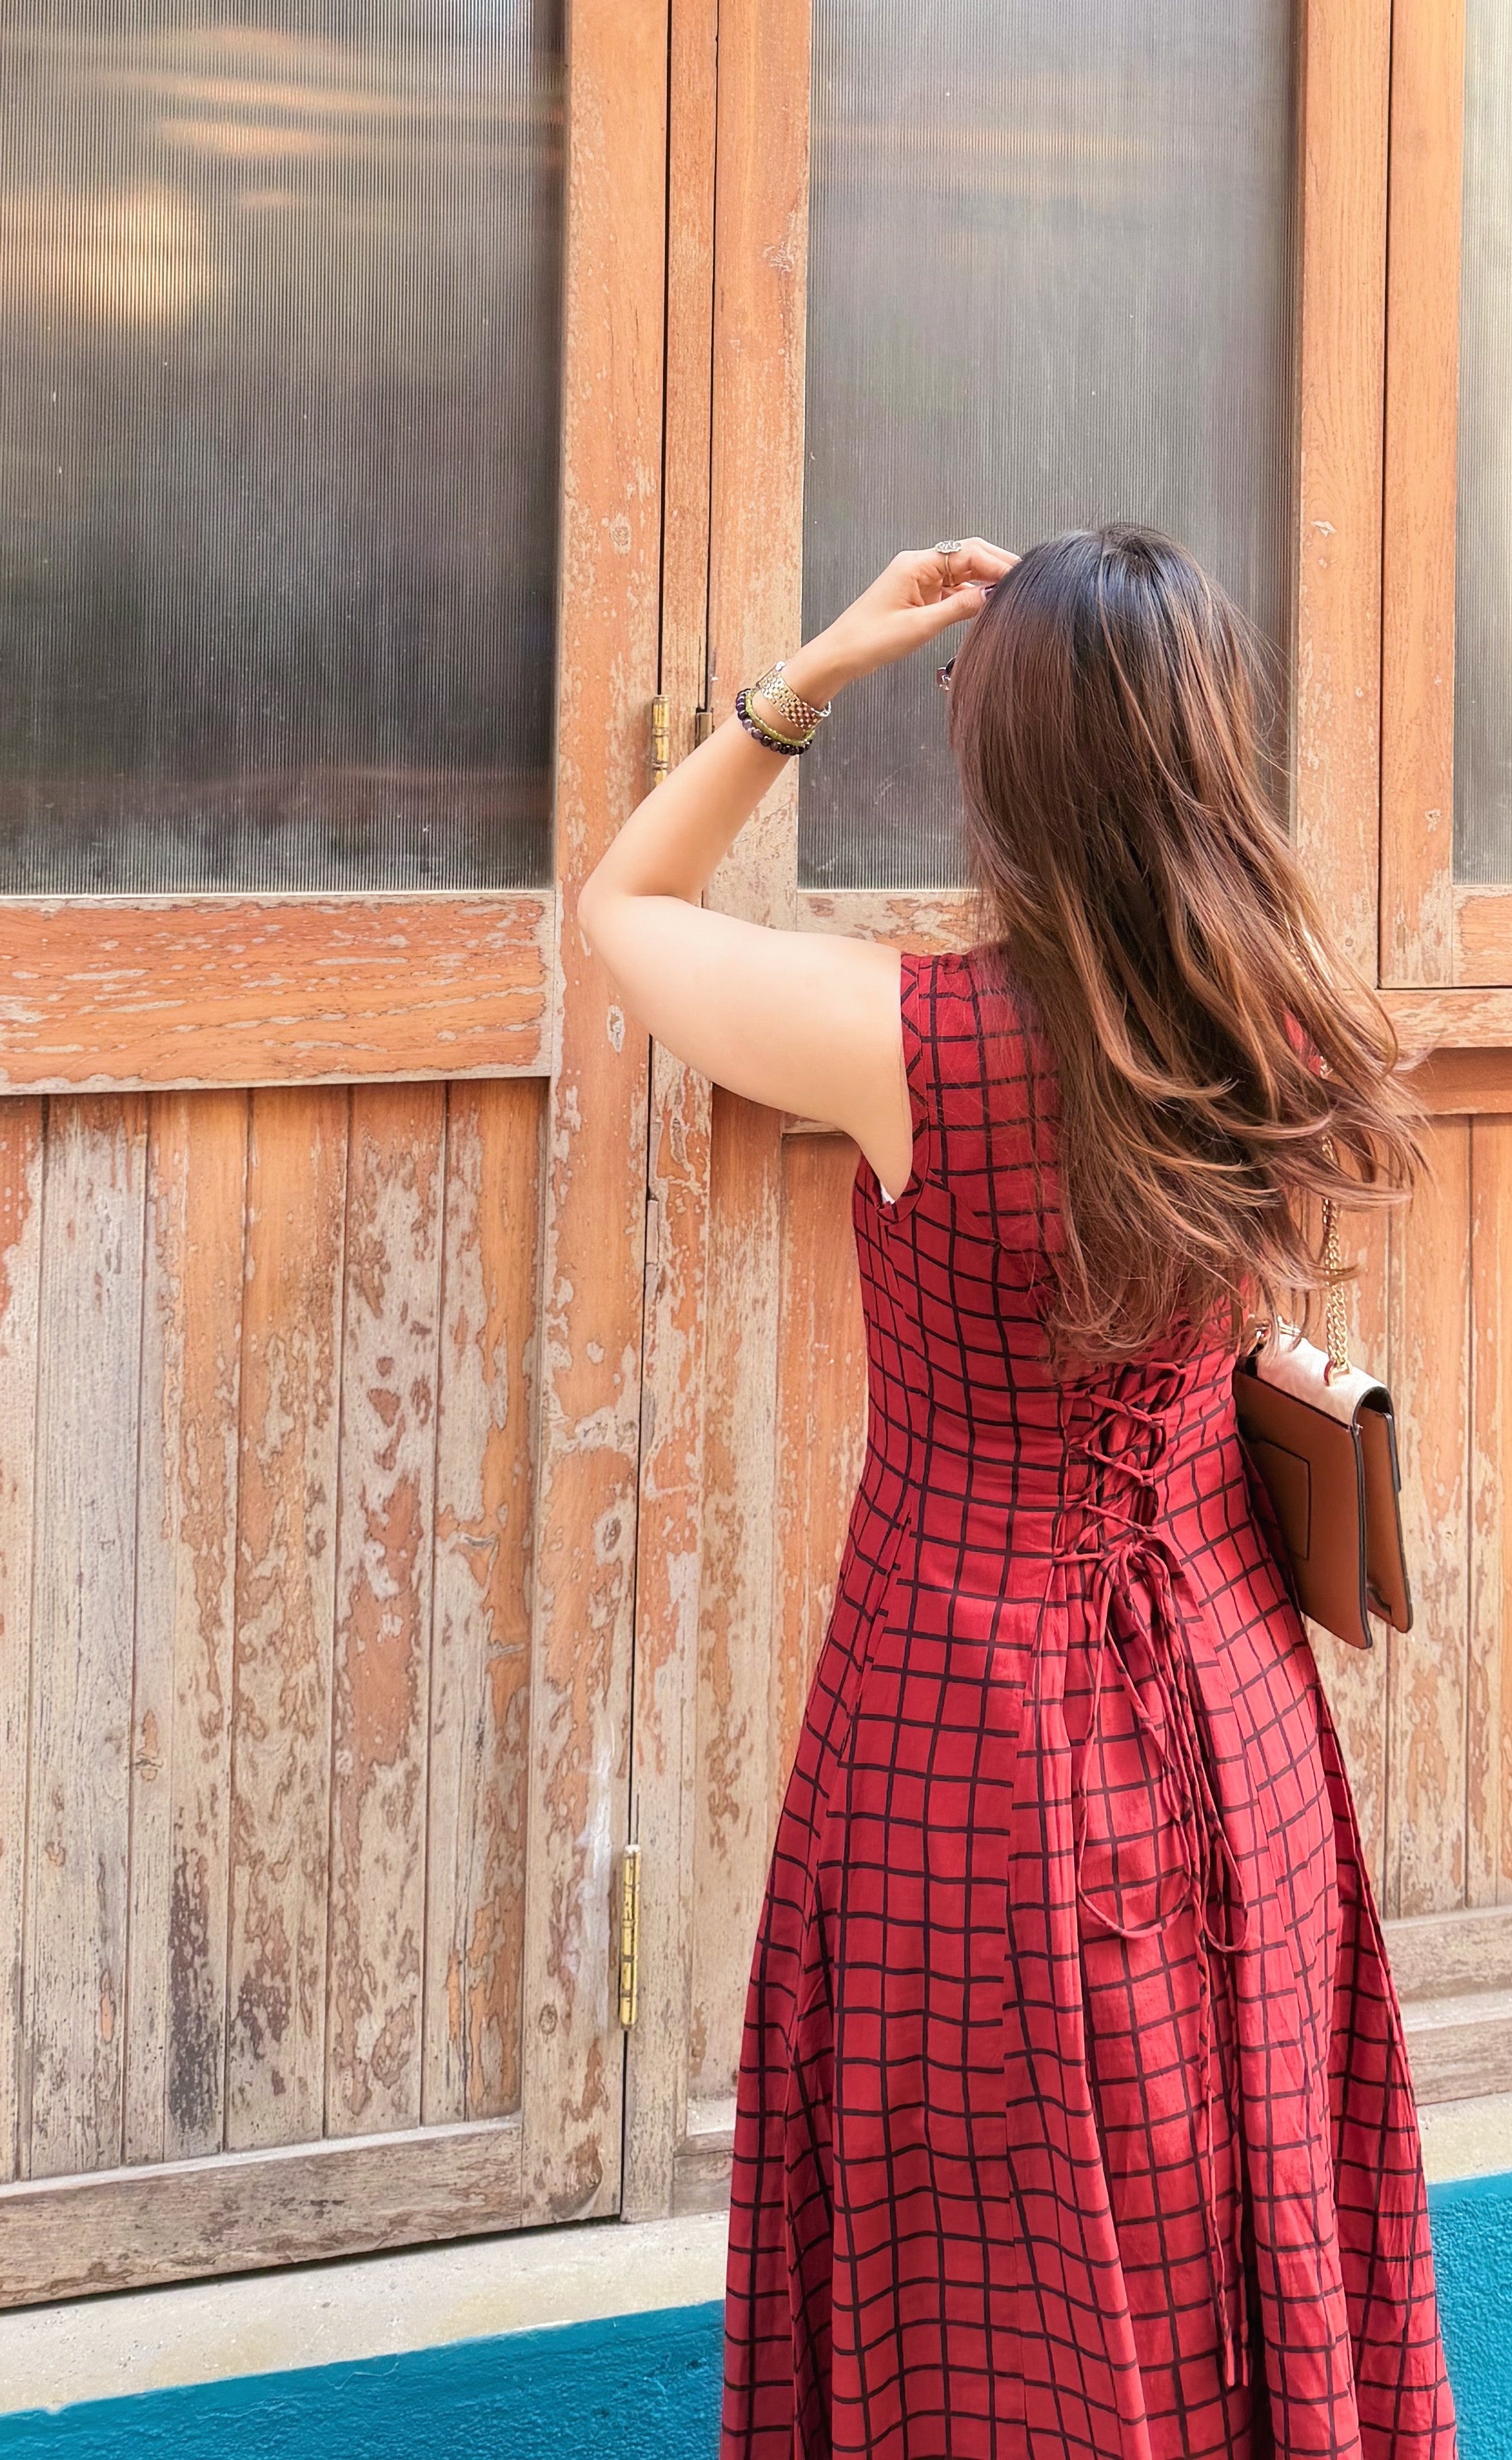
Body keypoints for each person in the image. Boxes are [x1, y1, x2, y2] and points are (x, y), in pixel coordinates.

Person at [580, 524, 1457, 2459]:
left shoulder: (907, 1042)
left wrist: (814, 674)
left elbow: (621, 906)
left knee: (987, 2281)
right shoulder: (1278, 1019)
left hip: (960, 1748)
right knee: (1241, 2203)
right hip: (1239, 1719)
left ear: (1013, 765)